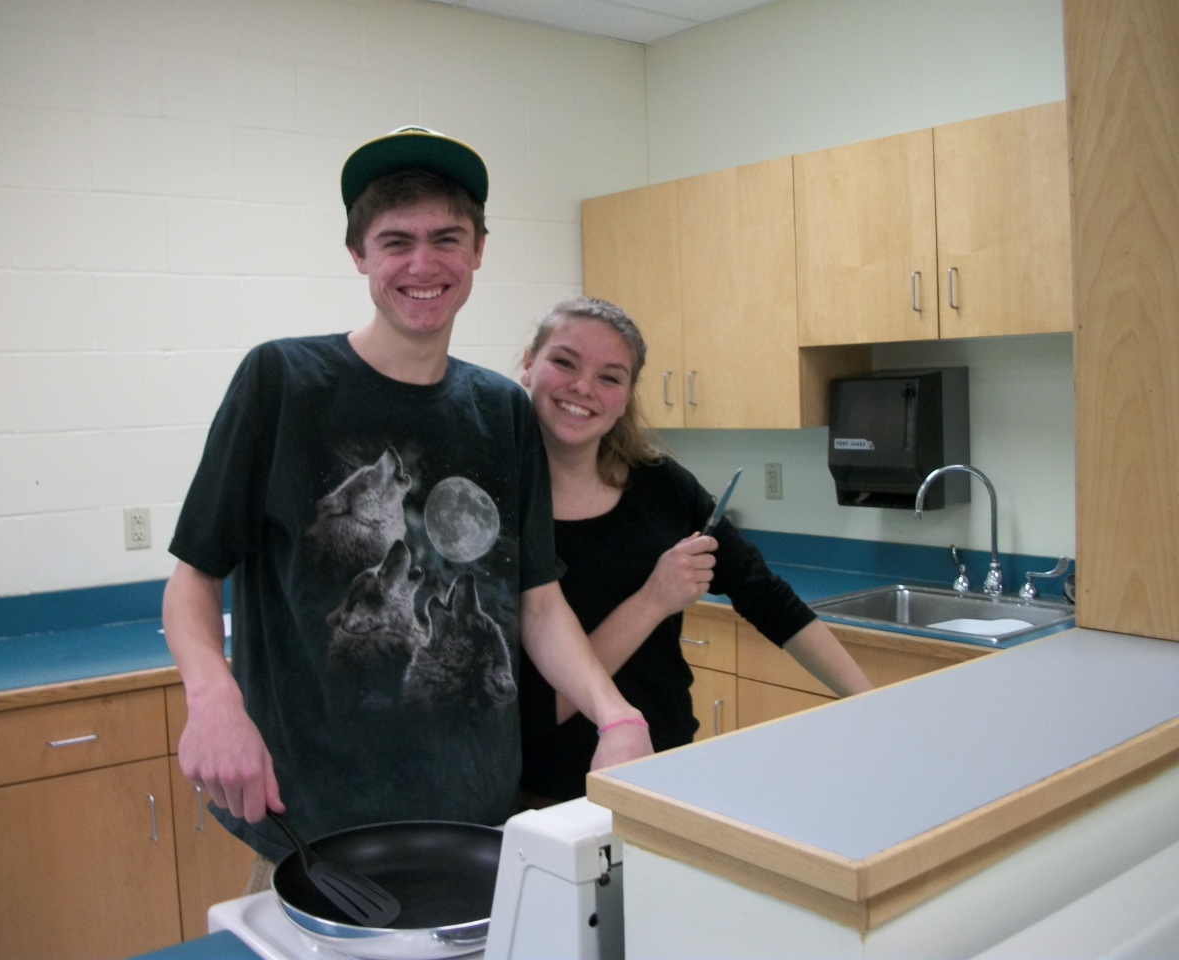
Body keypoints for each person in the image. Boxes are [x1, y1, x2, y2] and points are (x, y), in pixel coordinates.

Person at [161, 128, 652, 889]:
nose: (423, 265)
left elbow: (537, 600)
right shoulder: (282, 383)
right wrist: (212, 697)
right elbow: (193, 578)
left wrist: (615, 713)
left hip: (480, 818)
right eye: (397, 241)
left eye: (446, 239)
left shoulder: (502, 410)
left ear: (478, 251)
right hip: (314, 828)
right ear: (359, 254)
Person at [517, 297, 874, 803]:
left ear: (627, 396)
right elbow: (533, 709)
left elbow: (765, 596)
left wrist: (870, 704)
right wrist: (652, 601)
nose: (583, 388)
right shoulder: (497, 504)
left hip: (668, 770)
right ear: (528, 364)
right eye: (565, 362)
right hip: (548, 794)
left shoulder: (661, 485)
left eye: (610, 377)